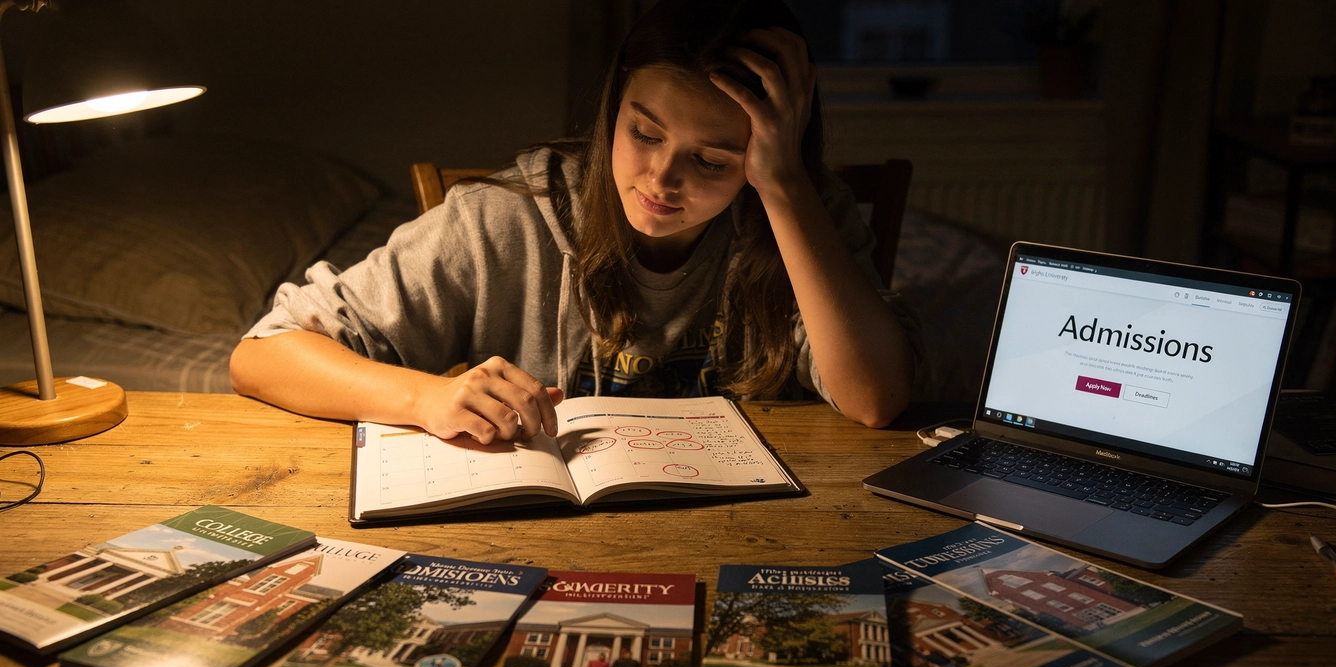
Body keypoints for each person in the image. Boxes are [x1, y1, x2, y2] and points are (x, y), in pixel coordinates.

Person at [229, 0, 918, 443]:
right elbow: (261, 353)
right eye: (643, 134)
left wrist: (786, 184)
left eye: (712, 161)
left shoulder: (797, 215)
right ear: (611, 110)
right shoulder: (505, 220)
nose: (661, 181)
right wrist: (427, 396)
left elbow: (875, 399)